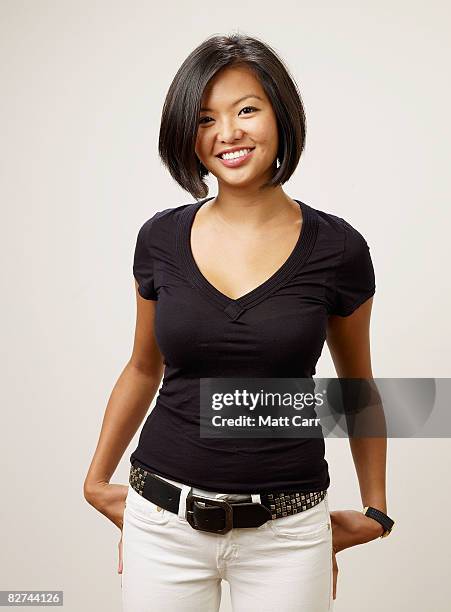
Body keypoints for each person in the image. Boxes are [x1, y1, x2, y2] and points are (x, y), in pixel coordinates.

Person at [83, 32, 394, 612]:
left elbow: (356, 388)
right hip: (163, 524)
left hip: (288, 534)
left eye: (246, 109)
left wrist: (376, 509)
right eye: (205, 118)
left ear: (281, 114)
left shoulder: (339, 249)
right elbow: (142, 366)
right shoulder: (159, 239)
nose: (227, 133)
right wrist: (96, 482)